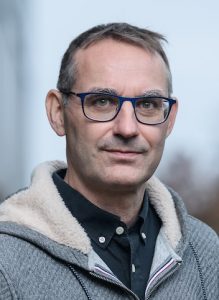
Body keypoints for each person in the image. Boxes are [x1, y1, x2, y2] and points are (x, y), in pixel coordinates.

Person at [0, 23, 218, 300]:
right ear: (57, 113)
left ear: (169, 119)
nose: (127, 128)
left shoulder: (208, 256)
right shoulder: (5, 264)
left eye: (147, 105)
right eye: (102, 102)